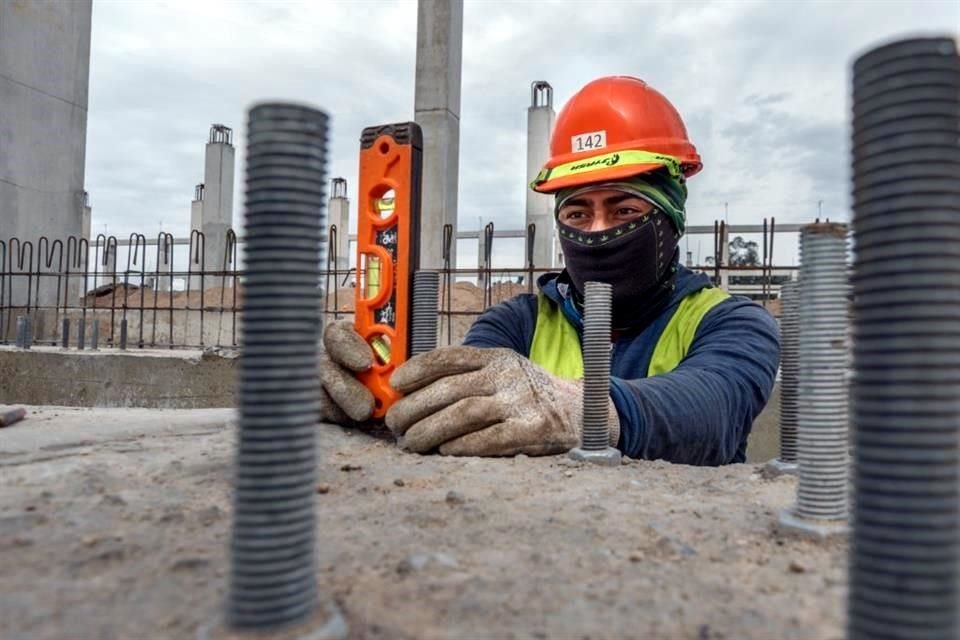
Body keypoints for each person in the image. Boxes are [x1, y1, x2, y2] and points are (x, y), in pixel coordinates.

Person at [320, 76, 780, 466]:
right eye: (577, 214)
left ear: (670, 220)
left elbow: (715, 409)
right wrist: (375, 398)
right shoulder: (517, 321)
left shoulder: (733, 323)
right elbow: (462, 410)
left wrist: (579, 410)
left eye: (623, 210)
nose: (598, 231)